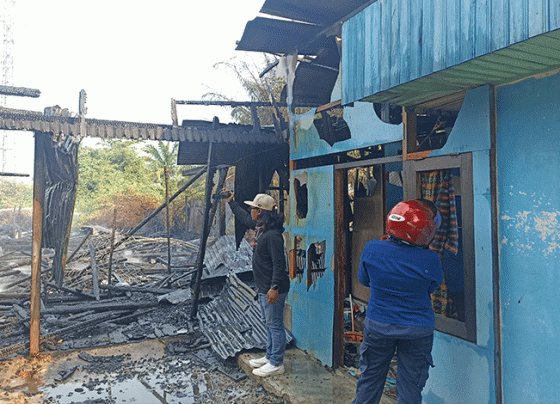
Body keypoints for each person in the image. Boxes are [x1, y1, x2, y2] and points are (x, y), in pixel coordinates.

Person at [352, 199, 443, 404]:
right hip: (417, 330)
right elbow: (431, 287)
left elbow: (364, 280)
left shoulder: (372, 248)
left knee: (370, 379)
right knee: (410, 387)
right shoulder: (431, 259)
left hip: (379, 326)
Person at [223, 190, 290, 377]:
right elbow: (244, 218)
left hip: (272, 288)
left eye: (253, 208)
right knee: (268, 323)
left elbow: (280, 265)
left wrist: (274, 287)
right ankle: (270, 356)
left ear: (260, 211)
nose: (250, 211)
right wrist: (231, 202)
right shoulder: (263, 228)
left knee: (275, 324)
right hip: (264, 287)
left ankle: (277, 363)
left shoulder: (273, 235)